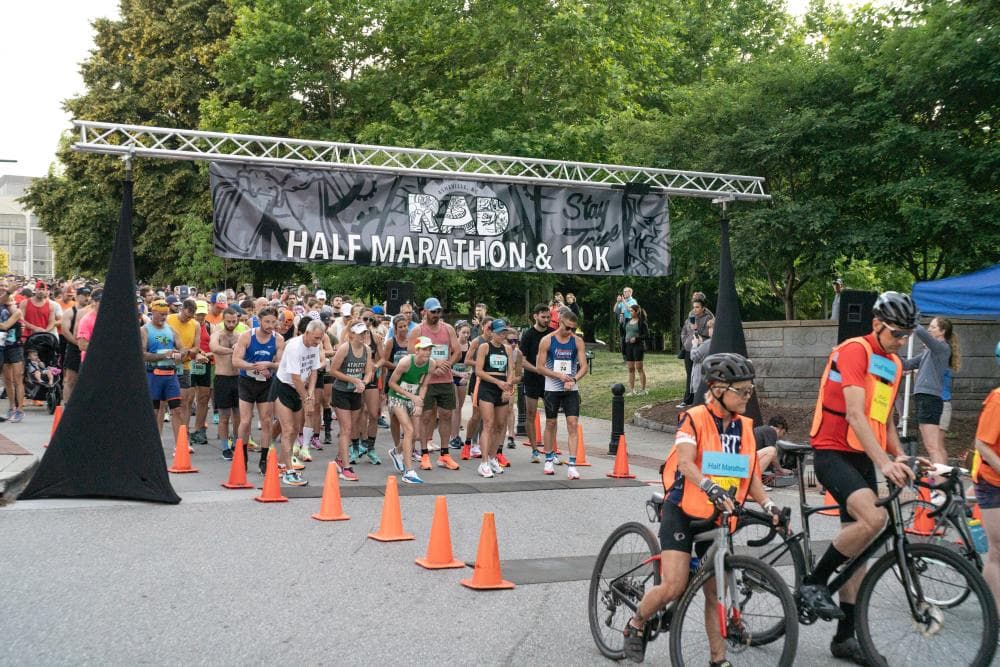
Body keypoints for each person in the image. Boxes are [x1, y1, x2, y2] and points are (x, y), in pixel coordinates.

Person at [624, 352, 782, 663]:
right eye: (742, 391)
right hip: (682, 510)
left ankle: (718, 659)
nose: (747, 398)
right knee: (673, 585)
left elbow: (750, 476)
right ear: (718, 388)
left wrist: (770, 504)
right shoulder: (693, 418)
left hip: (718, 517)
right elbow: (685, 462)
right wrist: (709, 486)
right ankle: (636, 623)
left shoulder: (745, 427)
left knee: (714, 592)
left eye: (751, 391)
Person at [797, 291, 919, 664]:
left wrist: (902, 457)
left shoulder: (893, 365)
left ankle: (844, 639)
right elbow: (855, 414)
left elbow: (883, 421)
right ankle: (814, 583)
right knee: (874, 517)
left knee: (863, 552)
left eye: (906, 337)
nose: (901, 342)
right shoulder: (855, 351)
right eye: (897, 334)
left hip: (865, 453)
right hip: (833, 450)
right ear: (877, 325)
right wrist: (885, 465)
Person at [407, 297, 461, 471]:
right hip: (426, 380)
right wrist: (431, 366)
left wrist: (448, 364)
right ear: (425, 312)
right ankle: (424, 454)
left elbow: (457, 351)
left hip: (445, 379)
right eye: (433, 312)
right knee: (426, 416)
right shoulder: (418, 330)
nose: (436, 315)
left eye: (439, 311)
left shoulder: (448, 329)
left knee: (446, 415)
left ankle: (445, 454)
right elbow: (411, 353)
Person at [536, 306, 588, 479]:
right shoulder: (547, 340)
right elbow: (540, 367)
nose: (570, 331)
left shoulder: (577, 341)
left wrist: (573, 380)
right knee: (551, 423)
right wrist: (558, 375)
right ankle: (549, 458)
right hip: (552, 388)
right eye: (567, 327)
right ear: (559, 322)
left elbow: (584, 367)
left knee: (573, 424)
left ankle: (572, 464)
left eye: (573, 328)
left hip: (570, 389)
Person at [271, 319, 325, 487]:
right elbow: (295, 376)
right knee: (288, 429)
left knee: (294, 429)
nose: (317, 342)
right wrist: (306, 398)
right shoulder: (294, 347)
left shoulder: (315, 346)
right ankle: (289, 471)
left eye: (320, 339)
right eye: (315, 338)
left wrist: (310, 395)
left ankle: (279, 462)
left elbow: (314, 370)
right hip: (284, 386)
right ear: (306, 333)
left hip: (299, 389)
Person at [232, 306, 285, 475]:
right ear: (259, 321)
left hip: (266, 383)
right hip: (247, 381)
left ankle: (264, 459)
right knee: (245, 421)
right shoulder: (246, 336)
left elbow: (281, 363)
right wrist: (253, 367)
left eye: (273, 322)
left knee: (266, 420)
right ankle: (242, 457)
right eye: (267, 322)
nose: (270, 325)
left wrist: (268, 365)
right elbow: (236, 361)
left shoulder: (278, 339)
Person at [903, 317, 960, 466]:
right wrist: (889, 351)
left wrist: (910, 318)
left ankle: (940, 485)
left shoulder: (942, 347)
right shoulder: (928, 352)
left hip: (930, 399)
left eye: (933, 327)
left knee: (933, 447)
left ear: (942, 331)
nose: (929, 329)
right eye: (930, 326)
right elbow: (907, 364)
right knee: (931, 446)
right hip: (924, 398)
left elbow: (922, 334)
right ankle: (940, 483)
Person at [970, 340, 1000, 617]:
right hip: (993, 483)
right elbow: (982, 445)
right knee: (998, 550)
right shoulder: (998, 400)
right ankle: (995, 614)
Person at [386, 336, 434, 484]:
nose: (428, 352)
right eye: (425, 349)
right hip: (397, 396)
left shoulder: (431, 364)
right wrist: (411, 397)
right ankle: (409, 471)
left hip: (413, 397)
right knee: (408, 430)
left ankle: (396, 451)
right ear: (417, 349)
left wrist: (419, 403)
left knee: (416, 434)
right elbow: (391, 383)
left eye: (430, 349)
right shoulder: (406, 362)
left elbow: (425, 385)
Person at [330, 320, 374, 481]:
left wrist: (363, 382)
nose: (363, 335)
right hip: (341, 391)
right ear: (352, 334)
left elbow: (369, 371)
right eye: (360, 333)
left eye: (365, 333)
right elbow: (332, 370)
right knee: (346, 428)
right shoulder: (344, 348)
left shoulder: (367, 350)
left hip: (356, 391)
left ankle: (339, 459)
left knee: (351, 428)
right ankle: (346, 468)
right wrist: (353, 379)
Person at [141, 300, 187, 453]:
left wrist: (179, 354)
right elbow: (141, 354)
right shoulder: (145, 330)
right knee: (154, 412)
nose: (163, 317)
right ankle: (153, 444)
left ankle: (179, 445)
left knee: (177, 410)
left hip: (170, 375)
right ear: (152, 312)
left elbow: (183, 348)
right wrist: (161, 356)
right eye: (161, 314)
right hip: (153, 375)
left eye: (166, 314)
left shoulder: (171, 330)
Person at [473, 319, 516, 478]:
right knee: (488, 424)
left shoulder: (507, 349)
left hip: (502, 388)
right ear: (491, 332)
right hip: (488, 387)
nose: (502, 335)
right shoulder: (484, 347)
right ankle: (483, 462)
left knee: (500, 425)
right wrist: (497, 382)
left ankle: (492, 457)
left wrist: (508, 386)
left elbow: (510, 370)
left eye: (504, 332)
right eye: (499, 333)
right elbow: (478, 371)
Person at [166, 299, 204, 442]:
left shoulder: (195, 325)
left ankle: (184, 433)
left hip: (184, 365)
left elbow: (196, 347)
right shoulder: (169, 319)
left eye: (190, 317)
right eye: (186, 316)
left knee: (185, 401)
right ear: (182, 309)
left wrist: (186, 353)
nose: (188, 319)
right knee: (163, 402)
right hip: (167, 363)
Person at [518, 305, 552, 463]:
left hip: (550, 380)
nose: (546, 320)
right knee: (530, 415)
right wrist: (537, 370)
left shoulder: (553, 334)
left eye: (548, 317)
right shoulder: (528, 335)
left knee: (551, 417)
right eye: (543, 317)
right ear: (535, 316)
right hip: (532, 379)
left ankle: (550, 450)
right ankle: (534, 451)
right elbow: (521, 360)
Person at [210, 307, 242, 461]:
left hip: (238, 378)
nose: (231, 324)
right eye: (228, 321)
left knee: (239, 415)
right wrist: (233, 351)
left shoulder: (240, 336)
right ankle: (224, 447)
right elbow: (214, 348)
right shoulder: (218, 334)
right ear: (223, 320)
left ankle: (236, 443)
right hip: (222, 378)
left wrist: (240, 348)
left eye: (234, 321)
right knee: (224, 416)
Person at [679, 293, 714, 407]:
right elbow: (684, 331)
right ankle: (687, 399)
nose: (695, 309)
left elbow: (709, 335)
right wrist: (685, 342)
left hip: (701, 349)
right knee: (690, 374)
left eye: (697, 307)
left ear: (703, 307)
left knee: (699, 374)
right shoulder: (690, 317)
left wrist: (697, 330)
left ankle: (698, 399)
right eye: (694, 307)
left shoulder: (708, 318)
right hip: (689, 348)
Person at [59, 286, 92, 403]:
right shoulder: (70, 312)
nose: (87, 298)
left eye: (89, 295)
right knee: (70, 380)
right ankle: (67, 406)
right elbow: (65, 331)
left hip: (87, 348)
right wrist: (78, 343)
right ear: (77, 296)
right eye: (85, 295)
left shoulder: (91, 312)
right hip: (74, 348)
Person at [0, 289, 24, 421]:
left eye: (11, 300)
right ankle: (11, 407)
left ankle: (20, 409)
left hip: (15, 346)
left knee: (18, 379)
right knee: (7, 380)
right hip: (3, 347)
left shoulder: (17, 311)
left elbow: (5, 326)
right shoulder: (1, 309)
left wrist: (11, 307)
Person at [753, 415, 791, 483]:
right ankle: (756, 482)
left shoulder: (761, 429)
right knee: (772, 450)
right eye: (783, 433)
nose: (781, 436)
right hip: (748, 460)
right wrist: (780, 469)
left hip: (744, 458)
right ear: (779, 428)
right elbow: (772, 455)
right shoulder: (771, 431)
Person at [623, 303, 649, 395]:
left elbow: (646, 335)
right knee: (630, 368)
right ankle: (632, 390)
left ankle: (643, 390)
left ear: (637, 311)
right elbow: (624, 332)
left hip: (638, 346)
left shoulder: (642, 322)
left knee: (639, 368)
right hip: (628, 346)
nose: (630, 312)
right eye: (629, 311)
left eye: (631, 311)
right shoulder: (628, 321)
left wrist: (636, 338)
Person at [687, 317, 715, 400]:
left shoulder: (709, 342)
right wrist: (701, 343)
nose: (708, 330)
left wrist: (695, 345)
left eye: (710, 327)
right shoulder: (715, 342)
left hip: (701, 380)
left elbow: (694, 356)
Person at [74, 288, 101, 363]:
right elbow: (82, 345)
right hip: (91, 362)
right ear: (94, 302)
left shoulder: (111, 317)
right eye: (101, 301)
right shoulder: (87, 320)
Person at [613, 287, 638, 361]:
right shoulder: (623, 301)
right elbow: (615, 310)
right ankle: (625, 357)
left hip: (630, 321)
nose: (624, 293)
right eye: (623, 292)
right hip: (622, 321)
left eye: (626, 291)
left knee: (629, 338)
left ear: (630, 293)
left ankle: (631, 357)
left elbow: (630, 310)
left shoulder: (633, 301)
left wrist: (623, 301)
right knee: (623, 339)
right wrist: (617, 302)